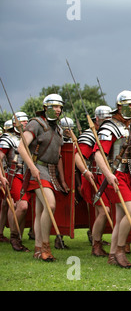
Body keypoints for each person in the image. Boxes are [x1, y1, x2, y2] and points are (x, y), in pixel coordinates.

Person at [93, 90, 131, 268]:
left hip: (129, 175)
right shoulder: (109, 126)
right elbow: (98, 154)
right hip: (115, 175)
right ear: (119, 106)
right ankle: (120, 250)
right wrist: (108, 175)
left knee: (121, 216)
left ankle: (113, 255)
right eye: (129, 104)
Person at [18, 94, 70, 261]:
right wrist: (32, 168)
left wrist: (62, 180)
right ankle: (46, 248)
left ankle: (38, 248)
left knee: (41, 209)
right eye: (55, 106)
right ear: (46, 107)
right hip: (37, 167)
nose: (58, 110)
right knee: (50, 205)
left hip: (50, 170)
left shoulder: (58, 129)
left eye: (60, 107)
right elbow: (21, 146)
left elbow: (59, 156)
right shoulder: (36, 123)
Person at [76, 106, 114, 257]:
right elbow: (78, 157)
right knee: (104, 211)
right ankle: (96, 245)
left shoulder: (109, 133)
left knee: (104, 212)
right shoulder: (90, 135)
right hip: (96, 179)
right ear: (96, 119)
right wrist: (85, 172)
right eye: (104, 119)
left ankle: (98, 242)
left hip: (108, 177)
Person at [0, 112, 31, 252]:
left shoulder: (27, 138)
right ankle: (14, 236)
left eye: (26, 121)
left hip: (26, 176)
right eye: (22, 122)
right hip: (12, 175)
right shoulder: (8, 138)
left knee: (22, 208)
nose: (24, 123)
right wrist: (1, 176)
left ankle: (18, 237)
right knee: (20, 206)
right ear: (14, 124)